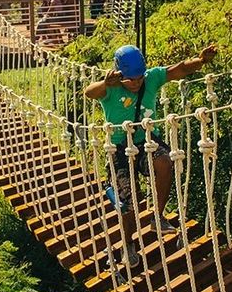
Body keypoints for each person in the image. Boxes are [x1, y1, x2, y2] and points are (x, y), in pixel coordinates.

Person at [84, 43, 218, 279]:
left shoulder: (151, 78)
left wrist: (201, 60)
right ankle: (127, 243)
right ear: (120, 75)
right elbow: (89, 92)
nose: (136, 84)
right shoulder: (112, 88)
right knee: (127, 202)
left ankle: (157, 216)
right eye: (130, 80)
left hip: (146, 140)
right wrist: (107, 83)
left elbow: (178, 70)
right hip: (119, 148)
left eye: (138, 78)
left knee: (166, 161)